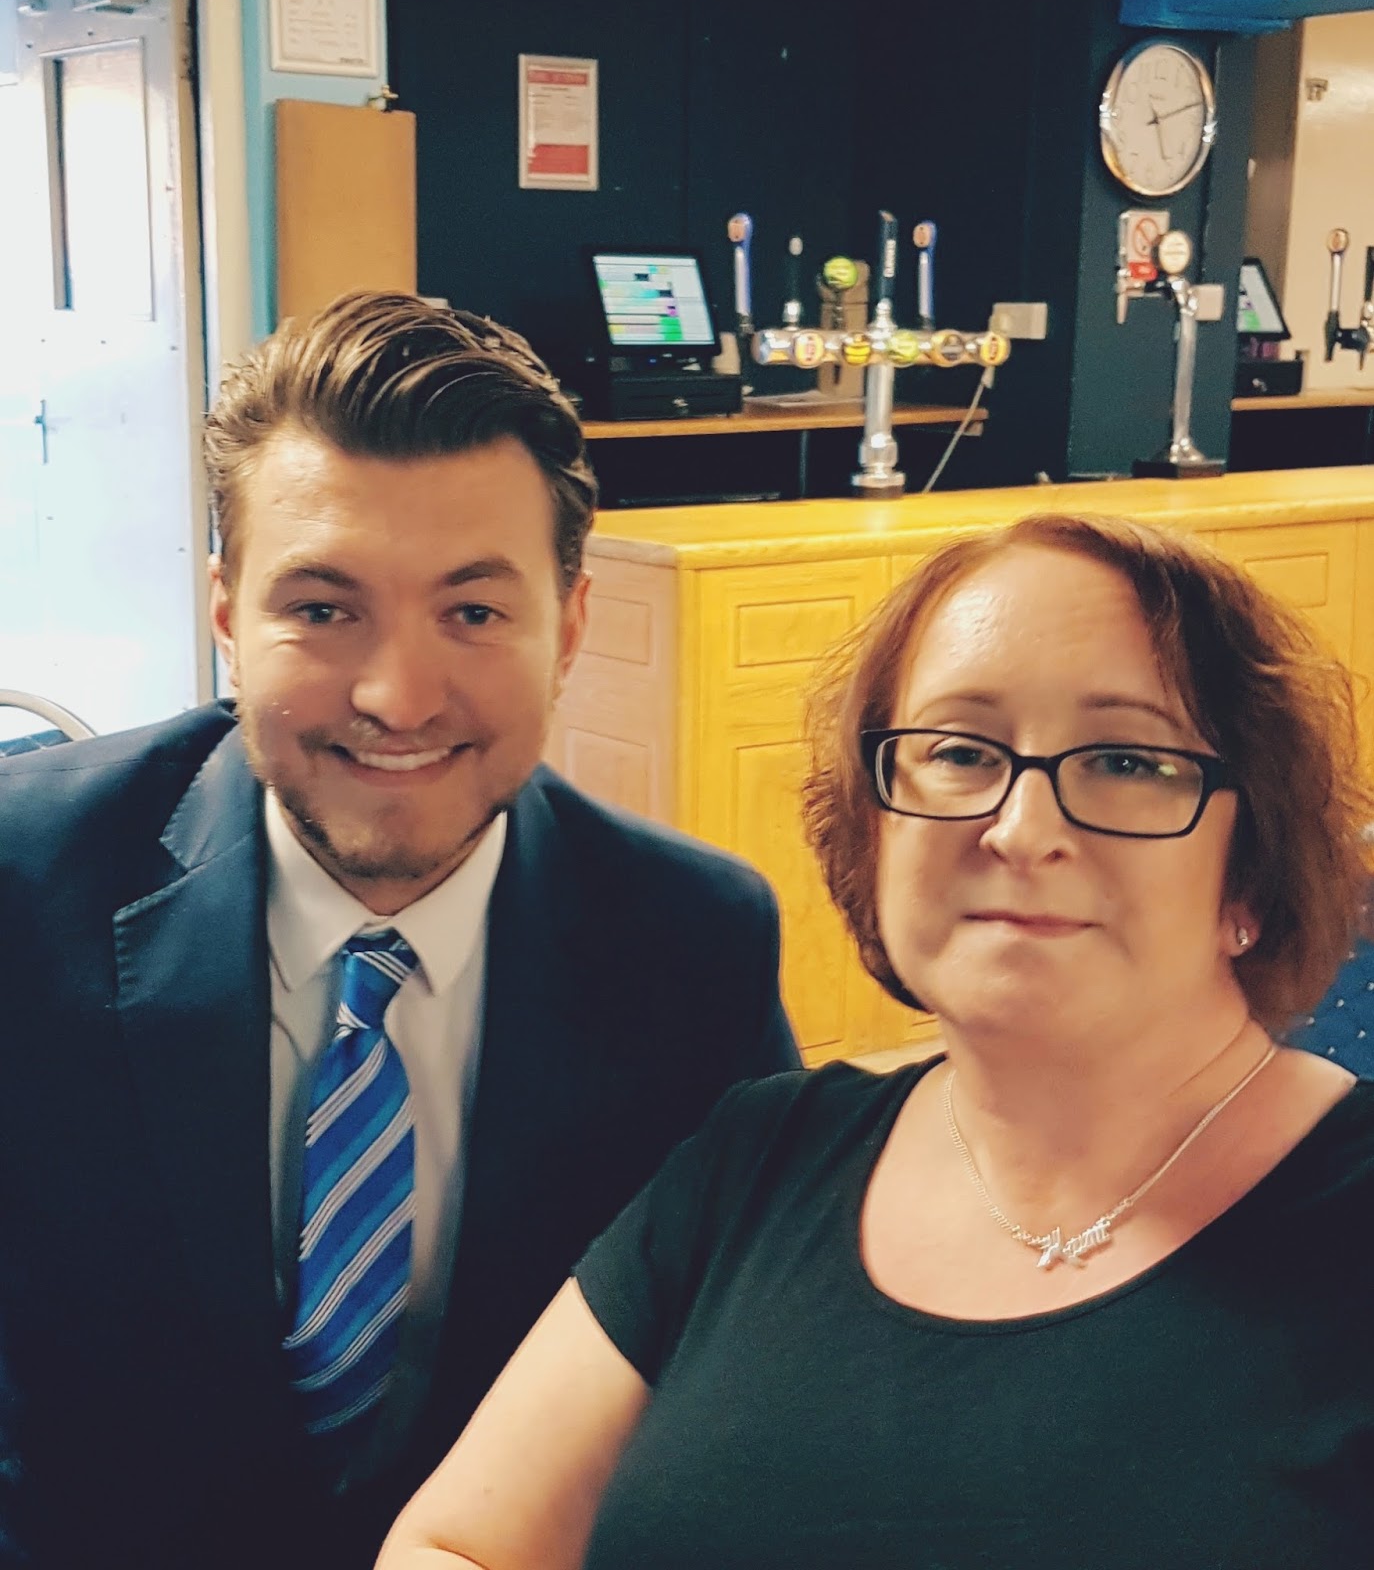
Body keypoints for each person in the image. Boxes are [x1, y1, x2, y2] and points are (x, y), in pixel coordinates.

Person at [379, 513, 1374, 1570]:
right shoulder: (760, 1153)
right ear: (875, 825)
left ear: (1251, 872)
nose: (1021, 829)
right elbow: (457, 1541)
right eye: (960, 751)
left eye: (1126, 760)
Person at [0, 292, 797, 1570]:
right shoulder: (27, 880)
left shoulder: (693, 945)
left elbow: (740, 1370)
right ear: (226, 614)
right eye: (324, 609)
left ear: (570, 626)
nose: (398, 696)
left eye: (473, 612)